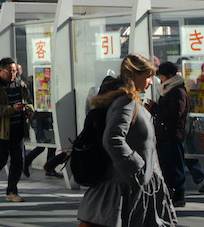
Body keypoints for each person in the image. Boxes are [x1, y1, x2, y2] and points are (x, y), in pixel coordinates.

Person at [77, 53, 176, 227]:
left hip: (136, 186)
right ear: (133, 75)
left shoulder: (131, 103)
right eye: (148, 77)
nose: (151, 82)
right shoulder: (126, 103)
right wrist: (136, 166)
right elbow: (113, 138)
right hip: (127, 187)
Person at [0, 57, 34, 202]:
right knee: (0, 160)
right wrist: (12, 109)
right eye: (9, 71)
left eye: (15, 71)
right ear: (0, 70)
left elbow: (29, 101)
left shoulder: (20, 85)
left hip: (17, 129)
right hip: (0, 131)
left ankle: (11, 191)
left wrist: (29, 110)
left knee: (19, 161)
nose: (13, 74)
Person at [148, 61, 188, 207]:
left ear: (170, 76)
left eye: (162, 76)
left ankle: (179, 195)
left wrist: (156, 109)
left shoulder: (177, 91)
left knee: (175, 165)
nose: (161, 80)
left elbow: (175, 113)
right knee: (167, 164)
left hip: (173, 134)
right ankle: (171, 192)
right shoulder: (167, 89)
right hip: (165, 134)